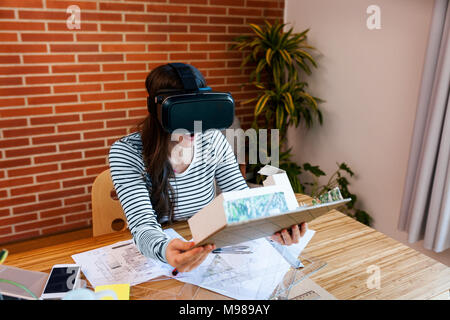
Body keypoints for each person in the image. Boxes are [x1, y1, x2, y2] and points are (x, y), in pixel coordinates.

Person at [108, 63, 307, 273]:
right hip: (157, 256)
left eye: (199, 109)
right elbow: (143, 225)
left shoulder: (212, 140)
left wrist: (269, 227)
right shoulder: (127, 153)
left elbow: (240, 199)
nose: (194, 124)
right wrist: (165, 249)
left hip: (207, 243)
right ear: (159, 110)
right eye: (182, 113)